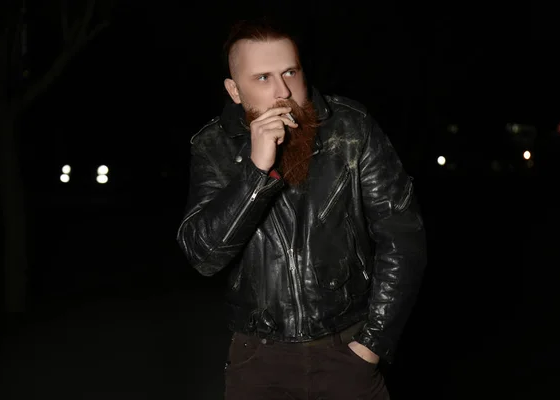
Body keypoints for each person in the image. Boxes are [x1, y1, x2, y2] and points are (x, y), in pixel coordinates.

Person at [176, 16, 427, 400]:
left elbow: (403, 237)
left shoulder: (352, 128)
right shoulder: (213, 146)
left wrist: (372, 344)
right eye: (262, 78)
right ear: (234, 90)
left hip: (348, 351)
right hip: (258, 361)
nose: (283, 91)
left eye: (290, 72)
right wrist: (255, 172)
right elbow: (203, 256)